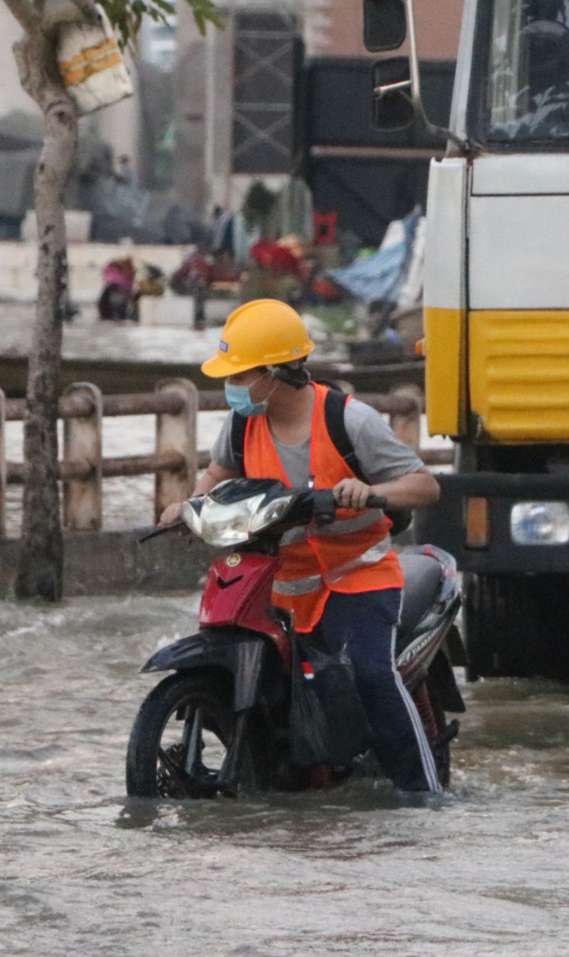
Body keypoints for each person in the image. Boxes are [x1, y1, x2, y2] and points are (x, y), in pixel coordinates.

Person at [156, 299, 443, 793]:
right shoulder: (244, 422)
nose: (233, 388)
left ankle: (424, 792)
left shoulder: (349, 420)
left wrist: (371, 493)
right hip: (280, 582)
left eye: (241, 376)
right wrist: (188, 504)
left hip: (357, 578)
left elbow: (425, 485)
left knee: (372, 677)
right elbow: (219, 473)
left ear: (274, 372)